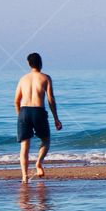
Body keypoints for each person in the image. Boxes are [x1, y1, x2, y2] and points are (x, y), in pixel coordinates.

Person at [14, 53, 62, 183]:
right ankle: (38, 163)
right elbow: (51, 99)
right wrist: (56, 118)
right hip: (38, 111)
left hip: (24, 111)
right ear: (40, 63)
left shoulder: (23, 79)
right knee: (45, 140)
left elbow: (16, 101)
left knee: (24, 146)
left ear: (29, 64)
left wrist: (20, 116)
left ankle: (24, 176)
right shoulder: (45, 78)